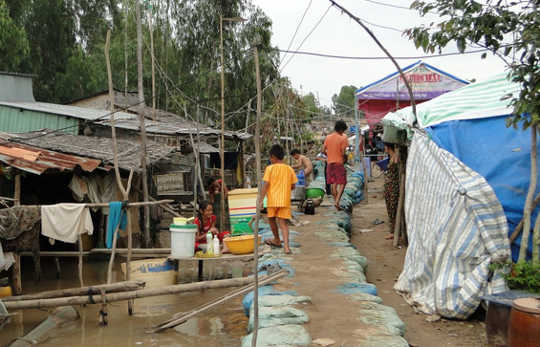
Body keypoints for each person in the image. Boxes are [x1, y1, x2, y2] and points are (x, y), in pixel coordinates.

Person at [260, 144, 298, 255]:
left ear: (273, 157)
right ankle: (286, 247)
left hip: (272, 200)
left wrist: (261, 199)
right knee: (283, 224)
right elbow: (293, 186)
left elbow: (265, 184)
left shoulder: (269, 168)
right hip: (284, 200)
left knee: (271, 219)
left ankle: (276, 239)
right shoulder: (289, 169)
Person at [323, 120, 349, 210]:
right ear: (341, 129)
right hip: (339, 163)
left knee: (333, 183)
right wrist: (345, 158)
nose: (343, 133)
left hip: (330, 163)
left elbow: (323, 150)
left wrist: (329, 155)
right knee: (342, 182)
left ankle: (336, 204)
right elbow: (343, 153)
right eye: (343, 131)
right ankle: (337, 201)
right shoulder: (342, 138)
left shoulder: (328, 137)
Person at [383, 143, 400, 240]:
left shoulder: (395, 158)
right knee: (390, 208)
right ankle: (392, 230)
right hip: (389, 186)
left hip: (393, 186)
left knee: (393, 209)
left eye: (385, 147)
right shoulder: (390, 158)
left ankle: (393, 231)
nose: (384, 149)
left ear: (388, 147)